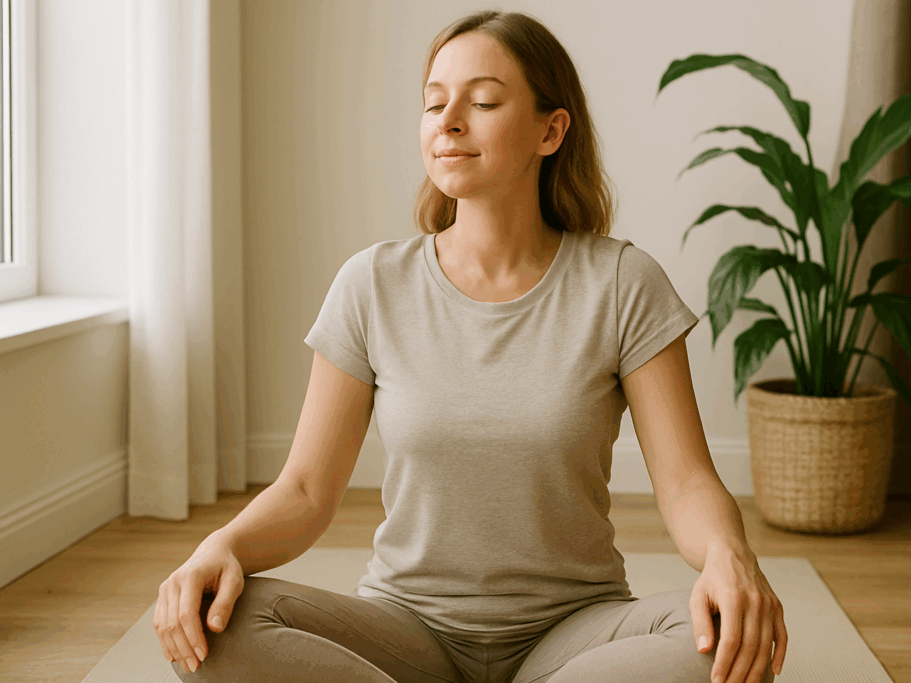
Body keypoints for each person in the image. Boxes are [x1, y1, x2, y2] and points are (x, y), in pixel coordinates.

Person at [155, 9, 786, 683]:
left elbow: (688, 481)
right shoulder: (371, 283)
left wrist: (729, 555)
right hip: (404, 630)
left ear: (552, 129)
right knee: (216, 620)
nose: (449, 119)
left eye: (482, 101)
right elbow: (306, 489)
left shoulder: (624, 282)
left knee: (730, 638)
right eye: (434, 103)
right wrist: (219, 546)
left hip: (573, 630)